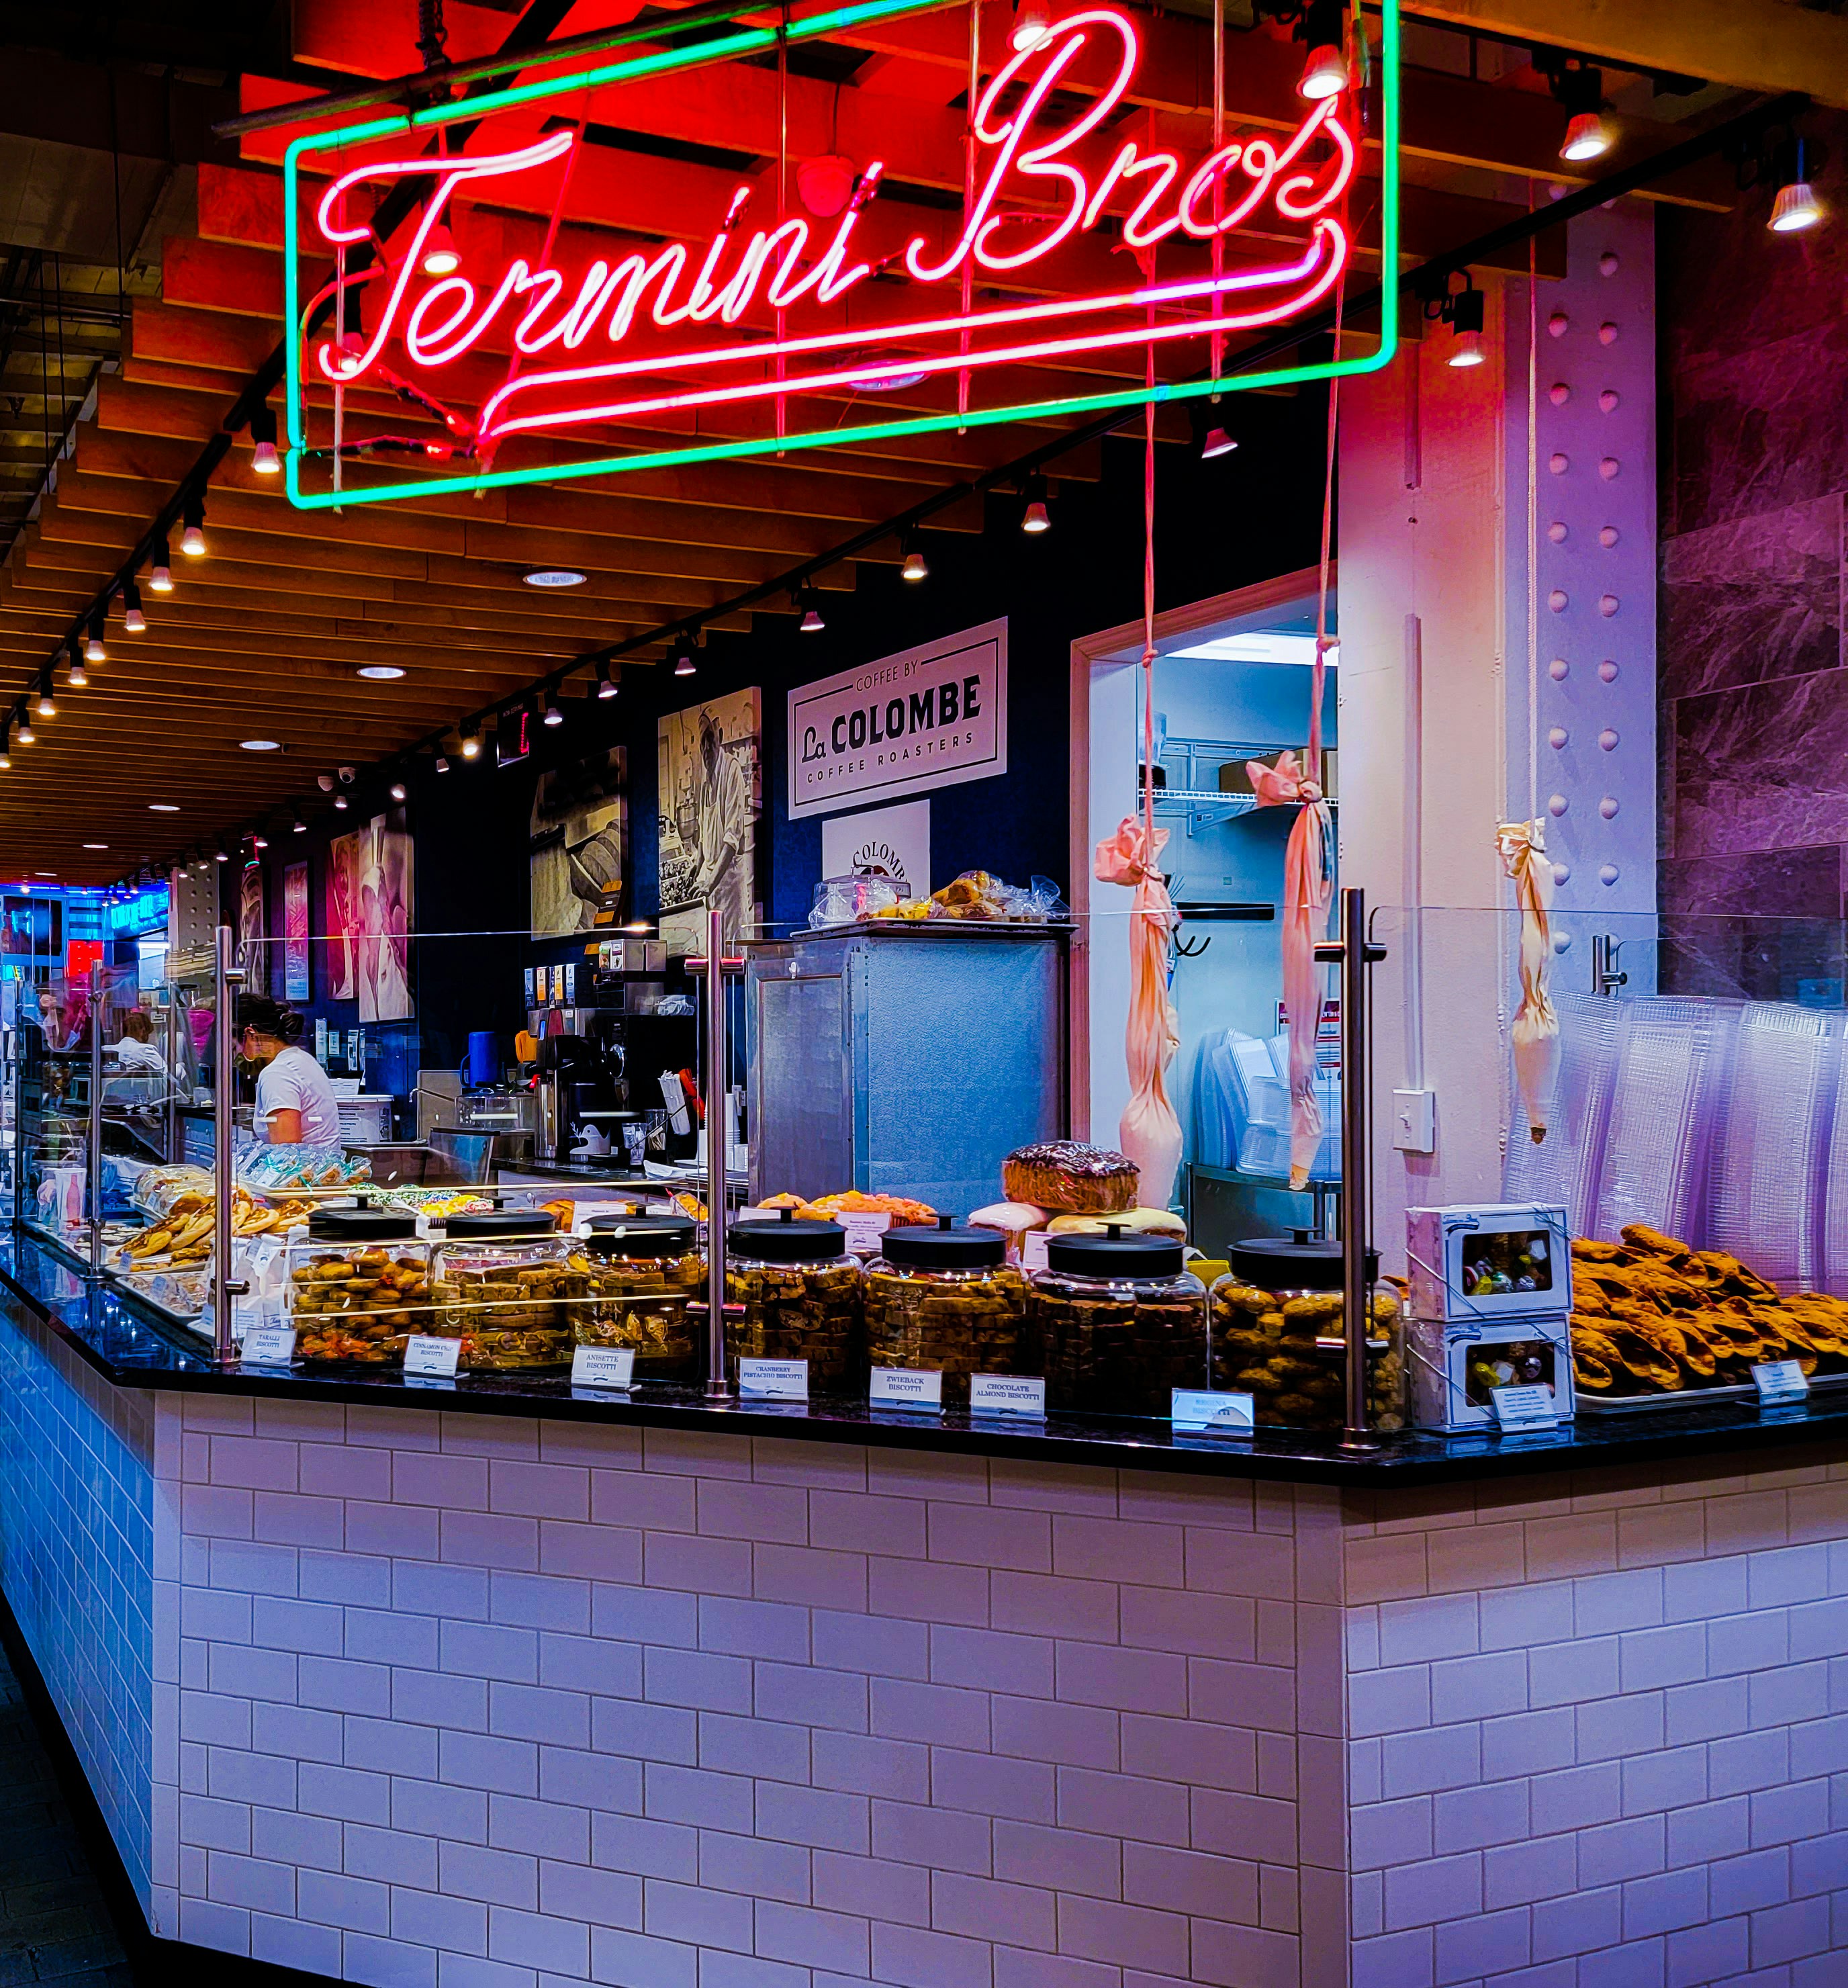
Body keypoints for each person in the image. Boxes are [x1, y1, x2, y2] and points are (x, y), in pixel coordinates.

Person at [237, 994, 341, 1146]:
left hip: (308, 1169)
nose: (236, 1055)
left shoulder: (277, 1073)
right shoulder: (301, 1059)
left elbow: (287, 1153)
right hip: (319, 1166)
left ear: (251, 1035)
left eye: (235, 1048)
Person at [107, 1009, 168, 1075]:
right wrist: (180, 1066)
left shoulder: (107, 1050)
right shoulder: (145, 1050)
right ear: (143, 1031)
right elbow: (166, 1073)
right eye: (148, 1033)